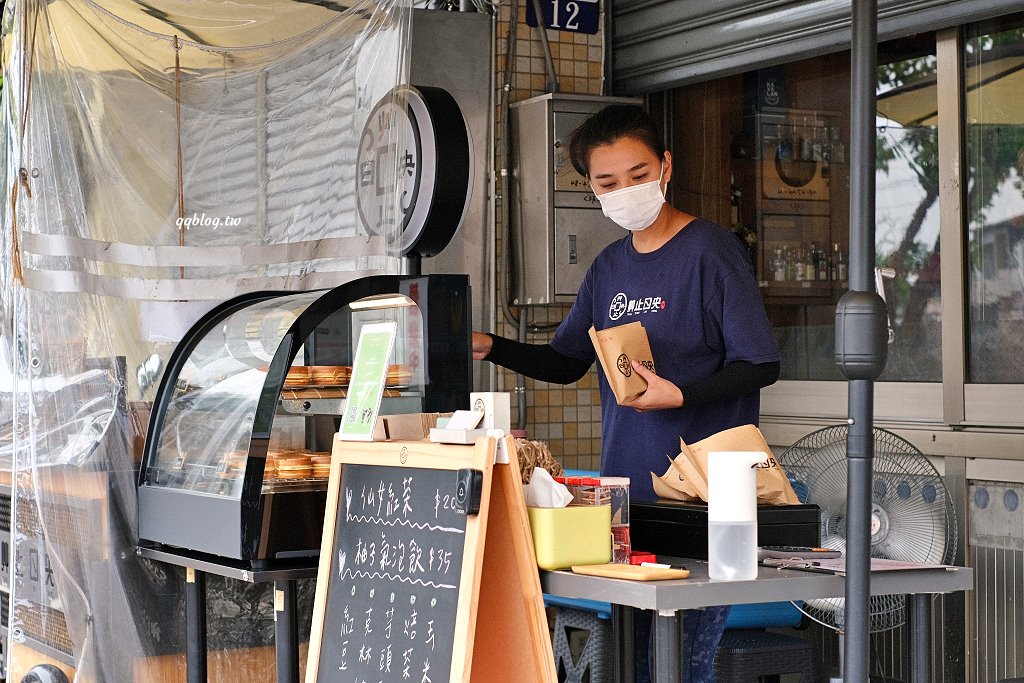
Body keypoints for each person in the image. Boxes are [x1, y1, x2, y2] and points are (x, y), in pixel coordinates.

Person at [473, 105, 781, 682]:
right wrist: (491, 345)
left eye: (638, 174)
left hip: (704, 503)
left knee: (682, 668)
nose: (625, 191)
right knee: (634, 668)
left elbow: (760, 363)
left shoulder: (711, 252)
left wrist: (680, 395)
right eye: (608, 182)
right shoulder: (609, 266)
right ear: (592, 189)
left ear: (666, 166)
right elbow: (566, 362)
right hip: (625, 503)